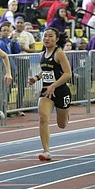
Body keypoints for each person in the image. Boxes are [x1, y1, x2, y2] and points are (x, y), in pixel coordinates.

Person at [28, 27, 72, 161]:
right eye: (45, 36)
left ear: (57, 39)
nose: (47, 39)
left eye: (50, 36)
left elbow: (68, 74)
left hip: (61, 91)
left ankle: (65, 114)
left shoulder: (59, 54)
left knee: (62, 125)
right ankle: (46, 151)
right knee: (43, 118)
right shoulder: (42, 54)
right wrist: (36, 78)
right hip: (47, 91)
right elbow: (45, 71)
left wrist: (54, 85)